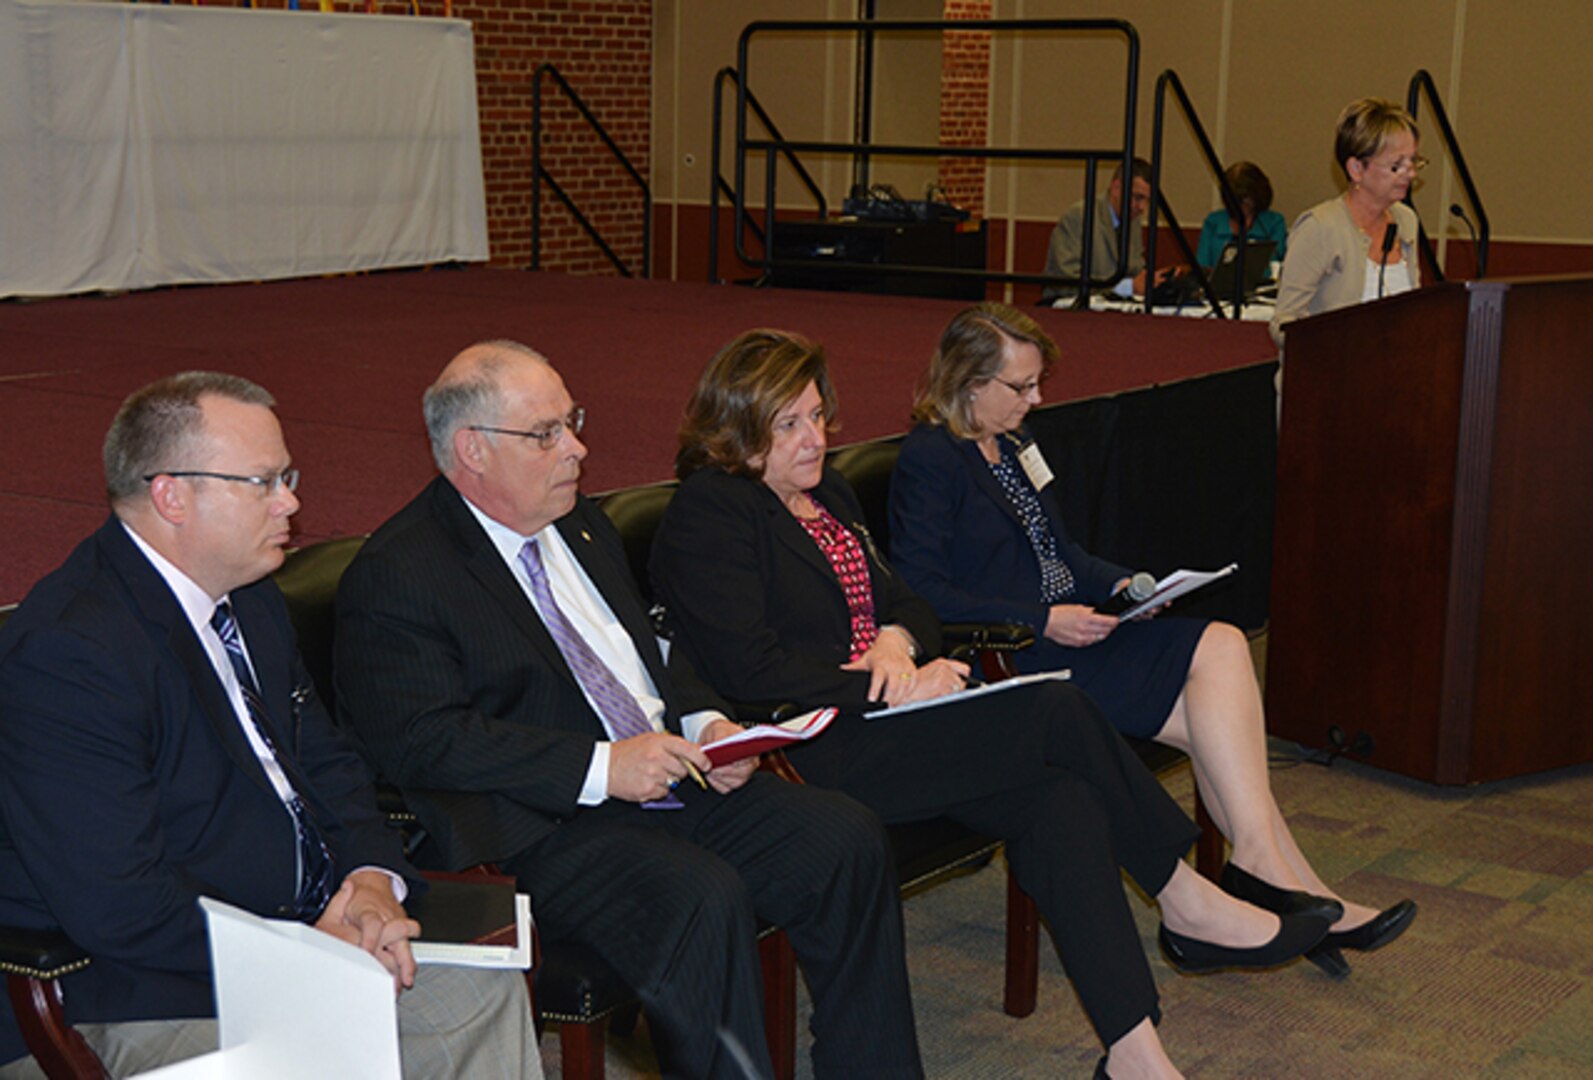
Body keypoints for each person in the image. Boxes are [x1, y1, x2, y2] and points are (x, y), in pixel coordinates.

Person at [649, 329, 1331, 1080]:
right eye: (790, 425)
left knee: (1061, 800)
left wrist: (894, 643)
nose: (816, 438)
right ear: (737, 427)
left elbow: (912, 601)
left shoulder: (826, 494)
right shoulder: (709, 513)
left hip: (890, 718)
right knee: (1055, 711)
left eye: (818, 416)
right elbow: (749, 667)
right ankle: (1182, 898)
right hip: (817, 750)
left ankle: (1137, 1057)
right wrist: (889, 681)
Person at [333, 340, 921, 1080]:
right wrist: (602, 767)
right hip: (544, 824)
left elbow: (655, 650)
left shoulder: (580, 525)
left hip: (669, 775)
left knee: (844, 837)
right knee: (702, 897)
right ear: (471, 450)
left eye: (571, 421)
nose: (577, 448)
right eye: (546, 434)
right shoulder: (400, 572)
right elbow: (421, 740)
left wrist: (707, 725)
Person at [0, 373, 540, 1079]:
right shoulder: (72, 654)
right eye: (263, 482)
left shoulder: (249, 599)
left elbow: (330, 764)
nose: (291, 501)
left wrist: (372, 879)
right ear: (171, 495)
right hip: (137, 988)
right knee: (333, 1060)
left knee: (480, 992)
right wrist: (302, 951)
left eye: (287, 476)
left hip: (296, 928)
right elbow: (120, 905)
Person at [888, 302, 1419, 983]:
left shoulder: (1012, 445)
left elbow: (1065, 554)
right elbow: (922, 589)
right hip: (1016, 656)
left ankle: (1272, 872)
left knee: (1221, 649)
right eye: (1020, 387)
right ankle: (1279, 881)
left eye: (1035, 383)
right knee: (1214, 704)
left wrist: (1130, 586)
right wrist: (1041, 619)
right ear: (967, 382)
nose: (1036, 398)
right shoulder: (931, 457)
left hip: (1072, 636)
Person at [1270, 98, 1424, 346]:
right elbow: (1284, 324)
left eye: (1413, 162)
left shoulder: (1406, 221)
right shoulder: (1319, 227)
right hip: (1331, 377)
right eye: (1397, 165)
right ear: (1356, 169)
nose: (1412, 173)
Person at [1041, 156, 1169, 304]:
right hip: (1068, 312)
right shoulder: (1080, 217)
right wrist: (1127, 287)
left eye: (1147, 200)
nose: (1142, 208)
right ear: (1116, 188)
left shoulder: (1132, 223)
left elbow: (1134, 271)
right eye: (1138, 197)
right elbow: (1066, 284)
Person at [1196, 161, 1288, 270]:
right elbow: (1202, 267)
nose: (1241, 204)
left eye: (1245, 197)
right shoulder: (1213, 222)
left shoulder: (1274, 223)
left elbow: (1274, 265)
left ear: (1258, 194)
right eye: (1236, 198)